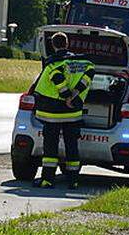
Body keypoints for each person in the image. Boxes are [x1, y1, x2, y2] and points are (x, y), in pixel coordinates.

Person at [32, 32, 94, 188]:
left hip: (53, 113)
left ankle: (47, 180)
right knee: (72, 146)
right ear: (67, 44)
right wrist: (75, 94)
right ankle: (73, 180)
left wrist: (66, 95)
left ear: (53, 45)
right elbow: (89, 74)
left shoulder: (53, 63)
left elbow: (58, 78)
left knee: (50, 148)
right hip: (73, 113)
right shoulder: (83, 62)